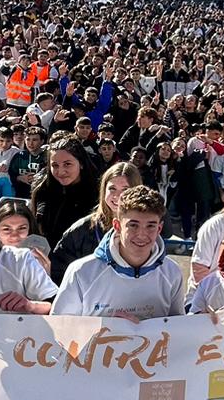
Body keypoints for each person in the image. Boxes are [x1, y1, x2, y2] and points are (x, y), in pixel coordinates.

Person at [52, 185, 186, 320]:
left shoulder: (171, 272)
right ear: (117, 226)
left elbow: (177, 329)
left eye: (150, 226)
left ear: (159, 228)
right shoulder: (81, 272)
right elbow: (60, 328)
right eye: (133, 225)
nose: (141, 234)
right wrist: (112, 331)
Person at [51, 161, 142, 283]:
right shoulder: (82, 229)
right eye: (112, 188)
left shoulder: (147, 229)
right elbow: (59, 270)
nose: (118, 196)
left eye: (125, 190)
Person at [29, 137, 97, 247]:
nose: (60, 171)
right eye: (55, 165)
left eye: (67, 164)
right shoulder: (43, 190)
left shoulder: (96, 195)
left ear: (81, 163)